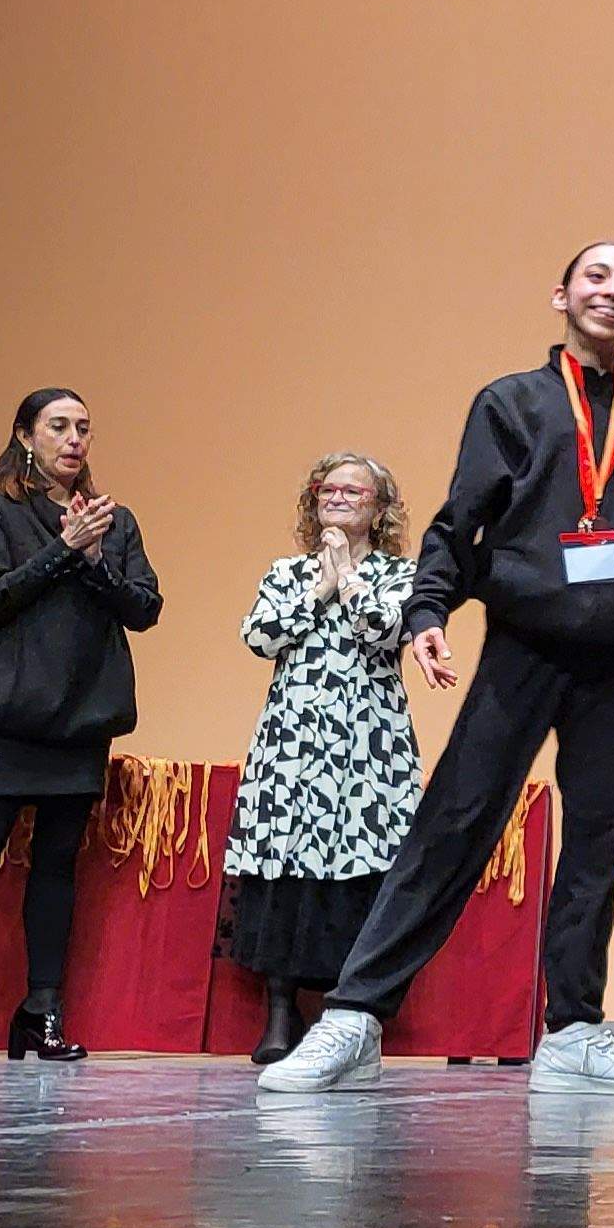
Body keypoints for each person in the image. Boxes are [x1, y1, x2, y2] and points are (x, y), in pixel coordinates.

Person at [261, 243, 614, 1095]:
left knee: (598, 841)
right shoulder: (513, 403)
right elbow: (459, 524)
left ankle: (573, 1029)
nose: (613, 291)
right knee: (455, 824)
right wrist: (427, 613)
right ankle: (354, 1015)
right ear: (561, 294)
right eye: (597, 277)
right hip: (526, 646)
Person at [0, 388, 162, 1062]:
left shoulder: (113, 522)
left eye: (84, 429)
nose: (74, 440)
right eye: (58, 427)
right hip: (8, 707)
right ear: (25, 436)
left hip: (83, 711)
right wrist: (65, 546)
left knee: (58, 862)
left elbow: (145, 607)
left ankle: (42, 1010)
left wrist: (93, 558)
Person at [223, 452, 424, 1065]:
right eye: (328, 490)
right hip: (293, 742)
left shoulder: (401, 574)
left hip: (369, 744)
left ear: (379, 509)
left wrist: (351, 579)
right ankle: (280, 1015)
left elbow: (385, 631)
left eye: (353, 492)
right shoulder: (286, 572)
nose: (337, 499)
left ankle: (350, 1016)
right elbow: (261, 636)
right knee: (283, 872)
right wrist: (321, 587)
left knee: (361, 870)